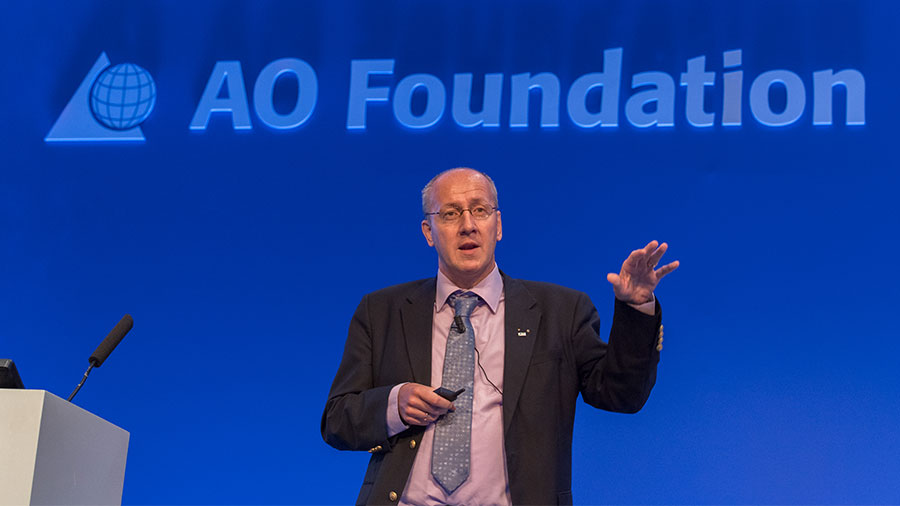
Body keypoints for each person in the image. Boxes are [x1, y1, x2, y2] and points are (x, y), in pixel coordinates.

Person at [321, 167, 678, 505]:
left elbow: (621, 395)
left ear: (498, 225)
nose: (468, 226)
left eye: (480, 210)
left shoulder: (561, 311)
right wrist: (394, 404)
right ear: (429, 232)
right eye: (450, 214)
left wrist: (637, 308)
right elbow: (337, 421)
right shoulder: (381, 311)